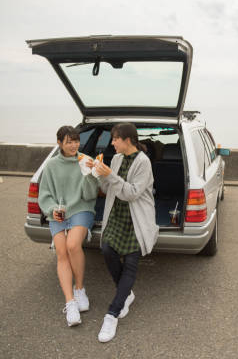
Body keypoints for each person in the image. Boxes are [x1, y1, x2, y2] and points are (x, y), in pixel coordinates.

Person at [89, 122, 158, 343]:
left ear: (127, 140)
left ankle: (112, 313)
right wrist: (99, 173)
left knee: (130, 263)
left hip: (136, 218)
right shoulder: (117, 159)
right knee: (107, 249)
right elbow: (109, 188)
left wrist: (110, 175)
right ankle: (126, 294)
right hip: (117, 215)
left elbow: (131, 193)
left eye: (115, 139)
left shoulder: (143, 162)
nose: (112, 143)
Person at [38, 125, 99, 327]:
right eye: (69, 142)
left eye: (76, 141)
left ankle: (80, 289)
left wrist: (90, 174)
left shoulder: (85, 160)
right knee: (62, 252)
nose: (74, 145)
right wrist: (52, 210)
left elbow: (90, 195)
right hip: (58, 212)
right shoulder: (51, 165)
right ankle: (70, 302)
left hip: (82, 208)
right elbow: (44, 195)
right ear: (59, 143)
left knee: (73, 245)